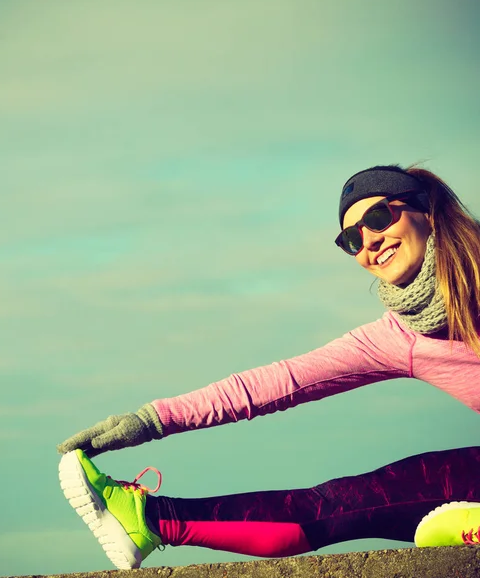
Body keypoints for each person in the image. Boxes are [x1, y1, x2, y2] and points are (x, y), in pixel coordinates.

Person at [57, 165, 480, 570]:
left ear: (425, 210)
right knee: (346, 501)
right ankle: (151, 520)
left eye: (378, 216)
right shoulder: (397, 338)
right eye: (352, 237)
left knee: (443, 521)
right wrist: (147, 421)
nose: (369, 240)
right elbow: (271, 385)